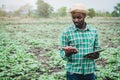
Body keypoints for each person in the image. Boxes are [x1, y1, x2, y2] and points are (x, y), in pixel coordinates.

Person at [60, 3, 100, 80]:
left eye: (79, 18)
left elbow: (97, 50)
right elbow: (62, 54)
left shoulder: (93, 31)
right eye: (73, 18)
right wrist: (67, 53)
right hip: (73, 72)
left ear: (84, 16)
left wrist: (96, 55)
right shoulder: (66, 32)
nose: (76, 20)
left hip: (89, 71)